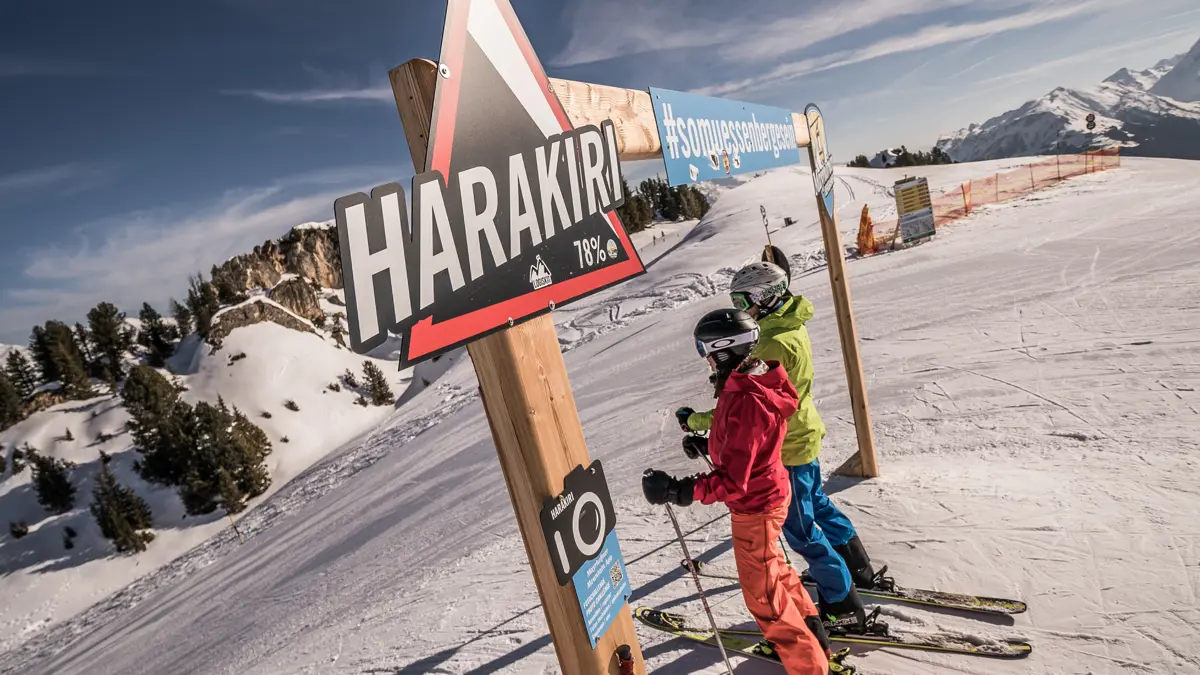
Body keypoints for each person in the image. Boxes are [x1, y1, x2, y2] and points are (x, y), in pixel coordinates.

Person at [676, 262, 881, 629]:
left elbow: (742, 410)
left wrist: (696, 421)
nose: (741, 308)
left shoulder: (769, 341)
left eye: (743, 299)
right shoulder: (788, 326)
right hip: (801, 433)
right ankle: (857, 570)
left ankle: (842, 602)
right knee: (817, 506)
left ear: (764, 296)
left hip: (785, 447)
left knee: (800, 530)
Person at [643, 309, 834, 675]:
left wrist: (679, 490)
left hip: (756, 506)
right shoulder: (753, 382)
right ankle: (814, 638)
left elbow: (734, 480)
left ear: (724, 349)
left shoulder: (746, 400)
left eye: (707, 351)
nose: (706, 360)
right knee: (776, 572)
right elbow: (748, 445)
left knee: (764, 597)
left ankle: (808, 665)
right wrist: (709, 444)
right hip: (767, 494)